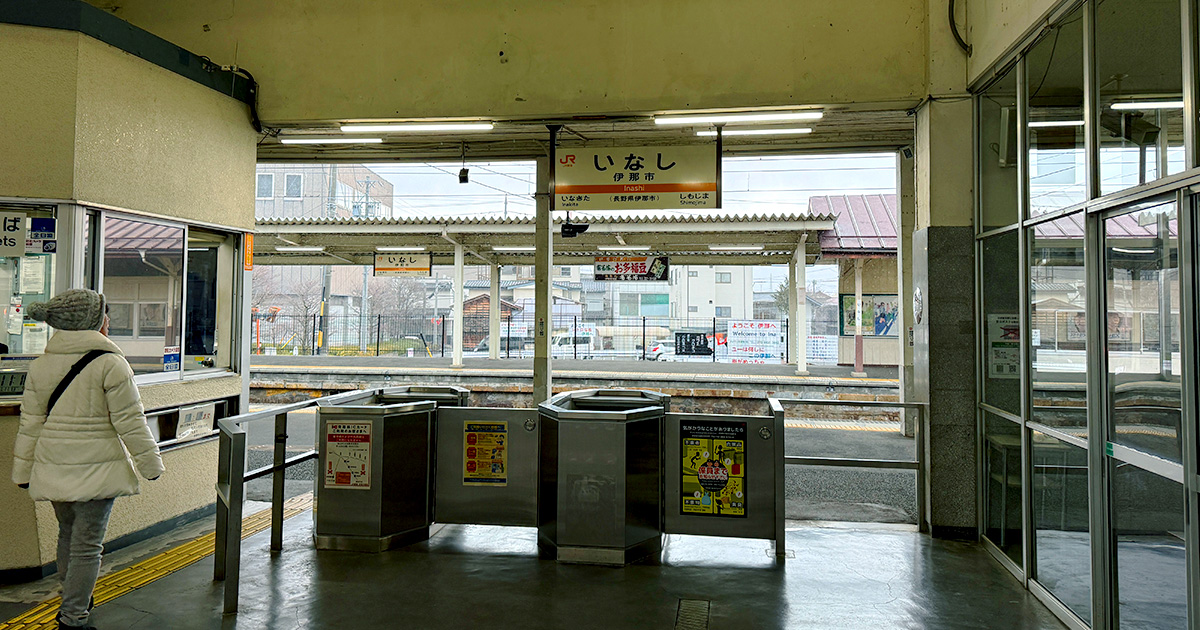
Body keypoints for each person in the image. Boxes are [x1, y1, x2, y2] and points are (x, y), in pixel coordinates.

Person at [10, 289, 164, 630]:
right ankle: (74, 617)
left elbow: (31, 423)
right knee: (87, 545)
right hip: (98, 471)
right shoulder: (111, 363)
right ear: (90, 322)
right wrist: (150, 464)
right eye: (104, 315)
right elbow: (131, 420)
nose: (108, 321)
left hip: (54, 466)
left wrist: (22, 472)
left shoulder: (41, 365)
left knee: (68, 535)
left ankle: (75, 597)